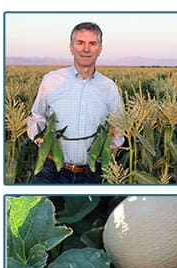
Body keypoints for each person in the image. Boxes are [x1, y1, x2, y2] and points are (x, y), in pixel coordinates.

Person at [27, 22, 123, 184]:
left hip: (92, 173)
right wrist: (39, 138)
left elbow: (119, 126)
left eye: (92, 43)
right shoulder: (51, 80)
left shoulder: (109, 87)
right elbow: (36, 117)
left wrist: (112, 145)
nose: (86, 49)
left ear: (100, 48)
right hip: (51, 171)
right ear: (71, 47)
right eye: (80, 43)